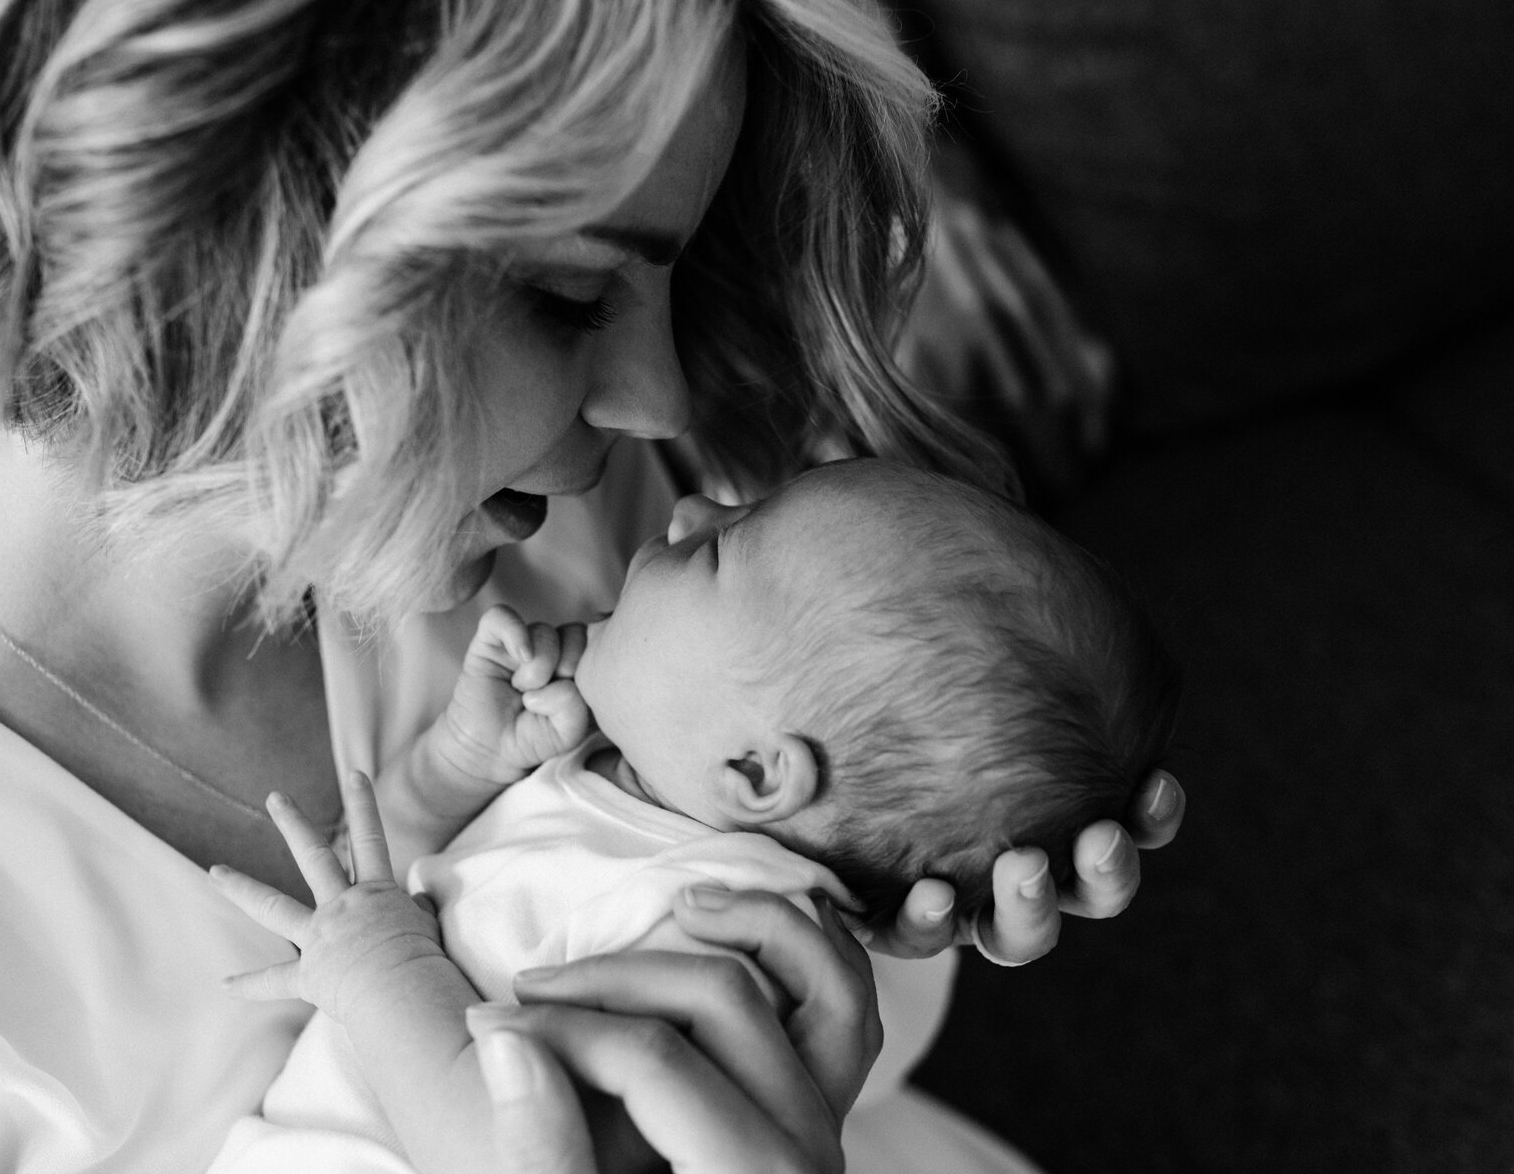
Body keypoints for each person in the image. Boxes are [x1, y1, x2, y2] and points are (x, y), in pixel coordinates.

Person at [0, 0, 1186, 1171]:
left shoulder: (593, 538)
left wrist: (893, 912)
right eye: (572, 296)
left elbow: (833, 1017)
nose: (657, 397)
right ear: (231, 238)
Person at [208, 457, 1182, 1172]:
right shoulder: (633, 789)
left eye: (718, 548)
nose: (685, 508)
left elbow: (514, 1151)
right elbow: (408, 891)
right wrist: (458, 767)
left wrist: (382, 974)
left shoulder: (715, 932)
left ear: (757, 771)